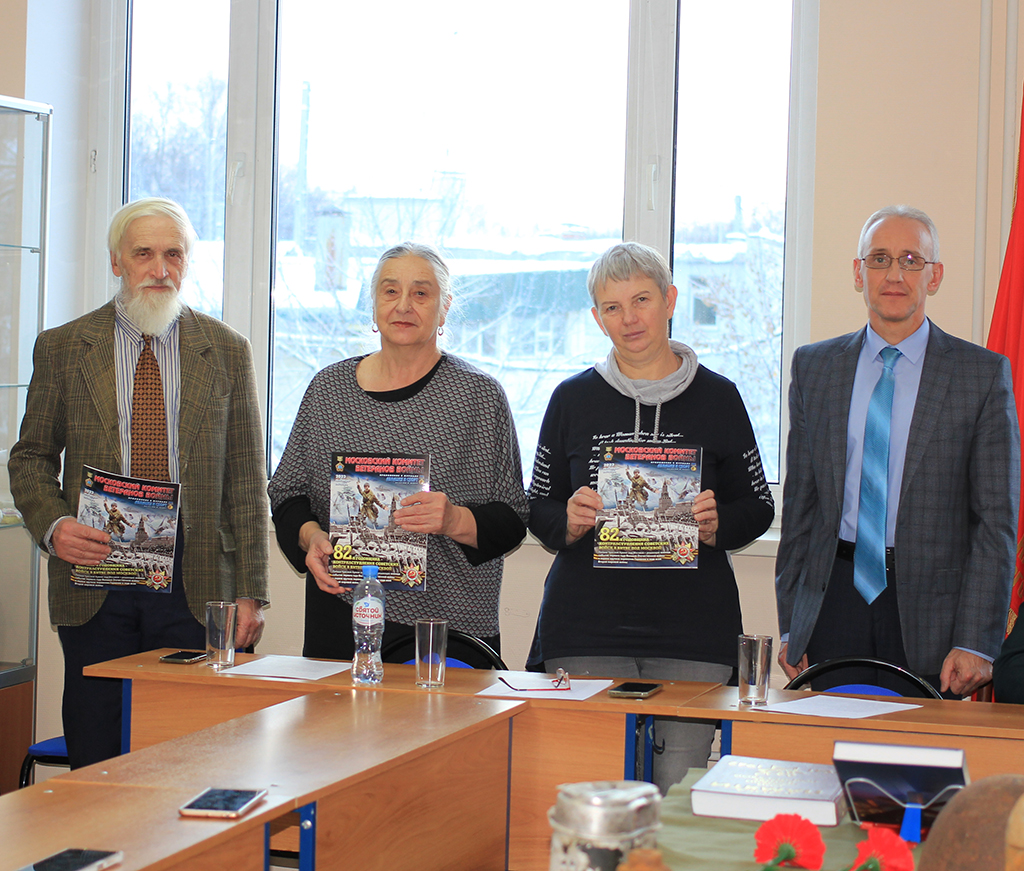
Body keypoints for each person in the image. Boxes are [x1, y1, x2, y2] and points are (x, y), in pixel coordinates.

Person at [9, 197, 270, 767]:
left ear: (187, 262)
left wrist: (252, 590)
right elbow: (30, 458)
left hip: (197, 584)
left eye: (173, 254)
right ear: (116, 262)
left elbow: (249, 483)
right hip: (96, 575)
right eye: (143, 254)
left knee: (192, 755)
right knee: (98, 752)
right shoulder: (63, 347)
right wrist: (55, 526)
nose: (159, 269)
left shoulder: (227, 350)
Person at [526, 242, 775, 793]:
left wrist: (718, 523)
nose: (629, 318)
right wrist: (566, 520)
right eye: (612, 307)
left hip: (693, 633)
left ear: (670, 301)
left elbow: (759, 504)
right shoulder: (571, 398)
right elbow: (536, 503)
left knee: (676, 797)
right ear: (597, 318)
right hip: (585, 628)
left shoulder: (720, 397)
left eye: (641, 300)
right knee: (594, 793)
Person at [775, 205, 1019, 698]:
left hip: (934, 614)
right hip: (833, 601)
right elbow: (801, 507)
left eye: (911, 260)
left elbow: (996, 521)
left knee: (919, 748)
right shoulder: (814, 368)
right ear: (858, 272)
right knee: (831, 743)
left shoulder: (980, 375)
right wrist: (792, 624)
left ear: (935, 276)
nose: (893, 274)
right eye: (880, 258)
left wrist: (976, 639)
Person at [268, 242, 528, 665]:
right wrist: (311, 537)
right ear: (373, 306)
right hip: (340, 618)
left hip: (443, 630)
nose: (403, 305)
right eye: (390, 291)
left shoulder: (479, 396)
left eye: (421, 293)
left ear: (444, 309)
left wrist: (453, 520)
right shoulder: (328, 390)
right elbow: (287, 494)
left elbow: (513, 518)